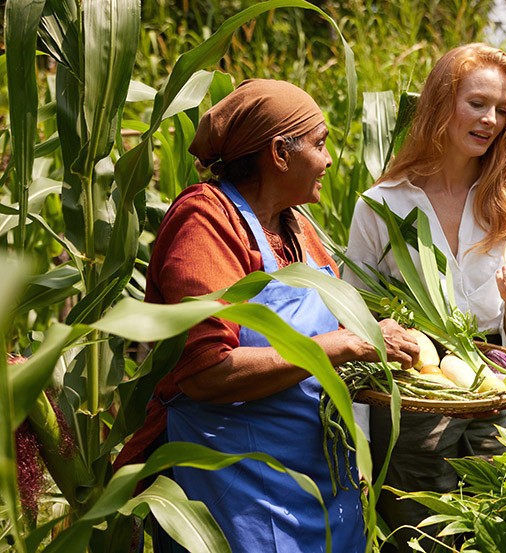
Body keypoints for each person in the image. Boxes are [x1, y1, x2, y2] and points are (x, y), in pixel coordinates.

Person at [116, 79, 420, 553]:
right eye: (319, 144)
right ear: (279, 152)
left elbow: (333, 340)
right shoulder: (206, 222)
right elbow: (205, 372)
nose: (329, 159)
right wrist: (345, 345)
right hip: (239, 496)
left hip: (321, 491)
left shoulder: (299, 228)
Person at [343, 43, 506, 551]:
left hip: (495, 405)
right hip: (413, 406)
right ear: (442, 103)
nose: (491, 120)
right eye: (477, 103)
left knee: (492, 538)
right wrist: (360, 444)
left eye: (503, 110)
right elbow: (353, 322)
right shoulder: (383, 205)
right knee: (413, 538)